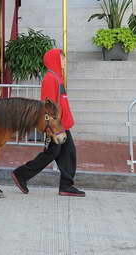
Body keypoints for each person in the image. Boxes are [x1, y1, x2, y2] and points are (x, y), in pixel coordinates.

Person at [10, 48, 86, 197]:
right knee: (52, 153)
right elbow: (47, 106)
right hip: (54, 126)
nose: (65, 62)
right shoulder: (51, 78)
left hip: (59, 125)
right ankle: (21, 175)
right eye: (62, 59)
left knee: (66, 152)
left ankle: (65, 185)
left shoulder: (57, 77)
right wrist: (49, 128)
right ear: (56, 60)